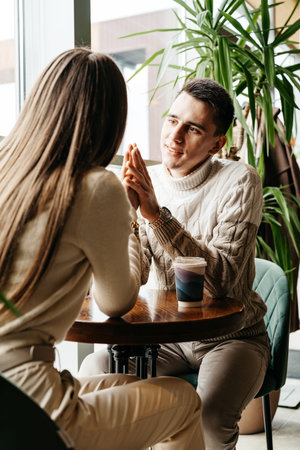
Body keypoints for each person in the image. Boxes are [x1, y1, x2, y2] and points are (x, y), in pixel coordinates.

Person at [0, 48, 205, 450]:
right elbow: (117, 301)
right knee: (184, 401)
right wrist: (128, 214)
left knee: (129, 385)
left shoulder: (10, 173)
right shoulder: (95, 186)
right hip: (29, 402)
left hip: (12, 392)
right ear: (109, 118)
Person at [79, 78, 271, 450]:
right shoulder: (151, 183)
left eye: (193, 128)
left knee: (210, 417)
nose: (175, 136)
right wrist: (128, 214)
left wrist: (156, 215)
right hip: (164, 340)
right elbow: (135, 277)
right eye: (172, 121)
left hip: (231, 339)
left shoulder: (239, 181)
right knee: (93, 374)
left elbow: (226, 283)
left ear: (217, 143)